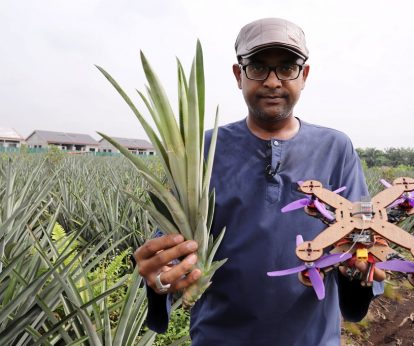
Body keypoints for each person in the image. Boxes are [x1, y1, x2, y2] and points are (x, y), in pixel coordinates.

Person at [134, 17, 386, 346]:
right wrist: (159, 280)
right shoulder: (202, 150)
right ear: (239, 75)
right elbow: (169, 259)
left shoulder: (336, 149)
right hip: (219, 338)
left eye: (286, 67)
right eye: (257, 67)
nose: (272, 81)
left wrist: (360, 270)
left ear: (304, 75)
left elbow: (358, 241)